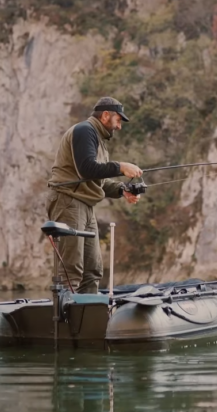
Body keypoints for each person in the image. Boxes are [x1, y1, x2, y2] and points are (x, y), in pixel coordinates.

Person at [46, 96, 143, 293]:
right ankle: (65, 320)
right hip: (68, 201)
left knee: (93, 270)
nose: (119, 126)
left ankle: (87, 318)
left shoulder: (98, 140)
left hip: (84, 205)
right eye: (118, 120)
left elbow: (97, 180)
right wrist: (121, 167)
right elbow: (87, 169)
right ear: (106, 115)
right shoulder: (84, 131)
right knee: (71, 268)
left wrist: (122, 190)